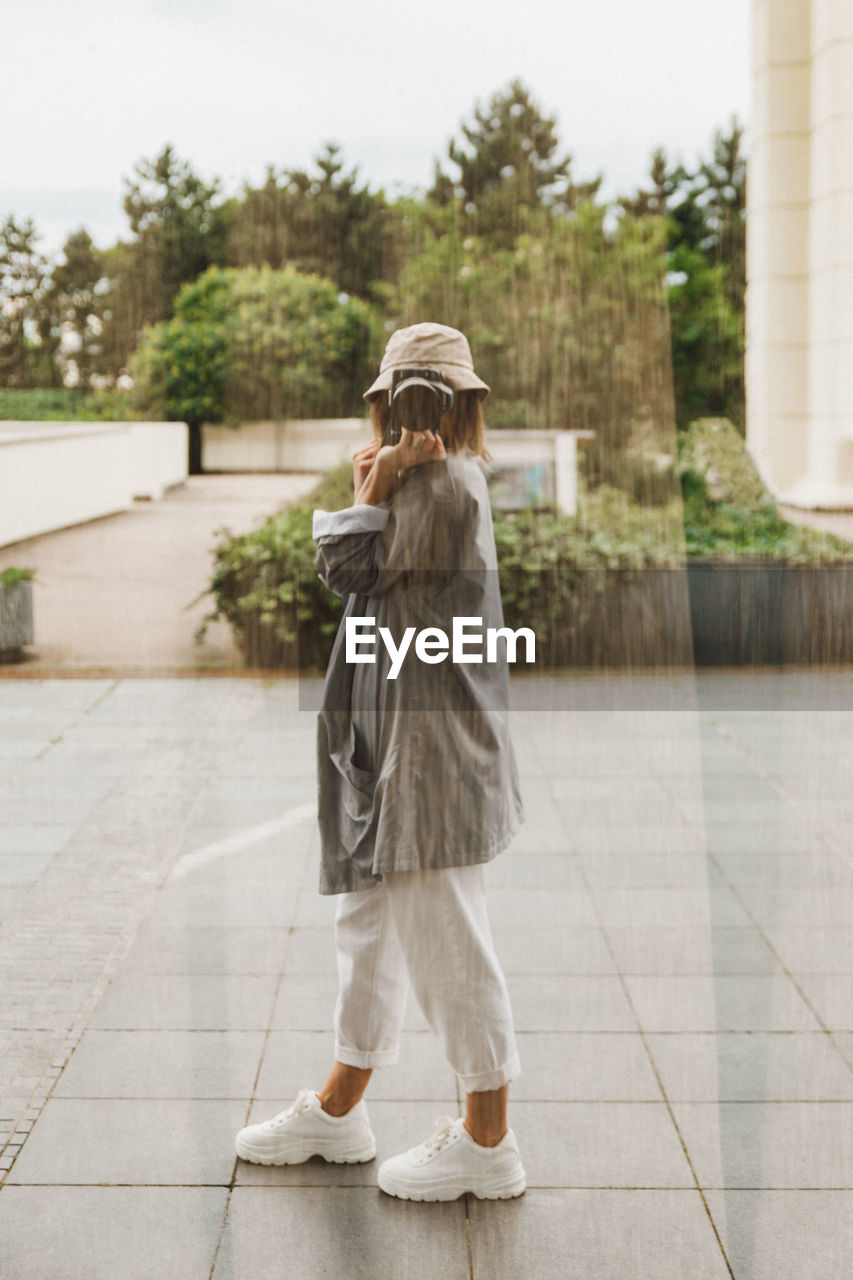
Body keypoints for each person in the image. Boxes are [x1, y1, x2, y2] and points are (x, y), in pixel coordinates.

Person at [234, 322, 527, 1201]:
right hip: (386, 742)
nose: (413, 411)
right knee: (366, 929)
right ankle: (339, 1108)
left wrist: (380, 478)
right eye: (404, 395)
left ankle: (487, 1139)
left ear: (456, 406)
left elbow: (345, 568)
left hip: (427, 756)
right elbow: (358, 574)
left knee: (446, 940)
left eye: (426, 395)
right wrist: (380, 479)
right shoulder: (420, 482)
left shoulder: (442, 488)